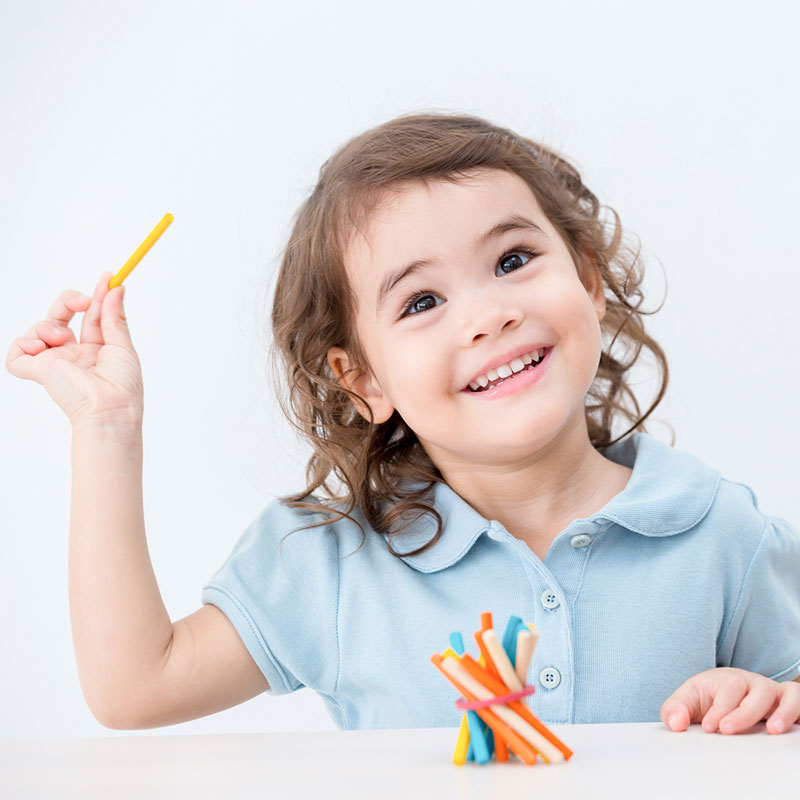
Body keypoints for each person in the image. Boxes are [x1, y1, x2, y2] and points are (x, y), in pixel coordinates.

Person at [7, 112, 800, 736]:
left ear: (588, 279)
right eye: (421, 302)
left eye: (512, 260)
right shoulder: (332, 563)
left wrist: (772, 704)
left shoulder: (723, 533)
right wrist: (106, 429)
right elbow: (135, 687)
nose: (488, 316)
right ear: (363, 379)